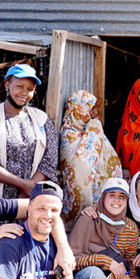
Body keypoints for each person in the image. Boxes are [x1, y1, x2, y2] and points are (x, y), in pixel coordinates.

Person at [0, 63, 59, 199]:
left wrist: (31, 187)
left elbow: (50, 158)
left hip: (33, 198)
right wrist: (25, 186)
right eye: (19, 86)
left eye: (30, 89)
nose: (24, 93)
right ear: (7, 84)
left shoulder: (41, 118)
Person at [59, 90, 122, 221]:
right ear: (79, 109)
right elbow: (81, 163)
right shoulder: (68, 133)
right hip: (76, 194)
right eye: (91, 109)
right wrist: (95, 126)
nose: (95, 113)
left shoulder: (87, 129)